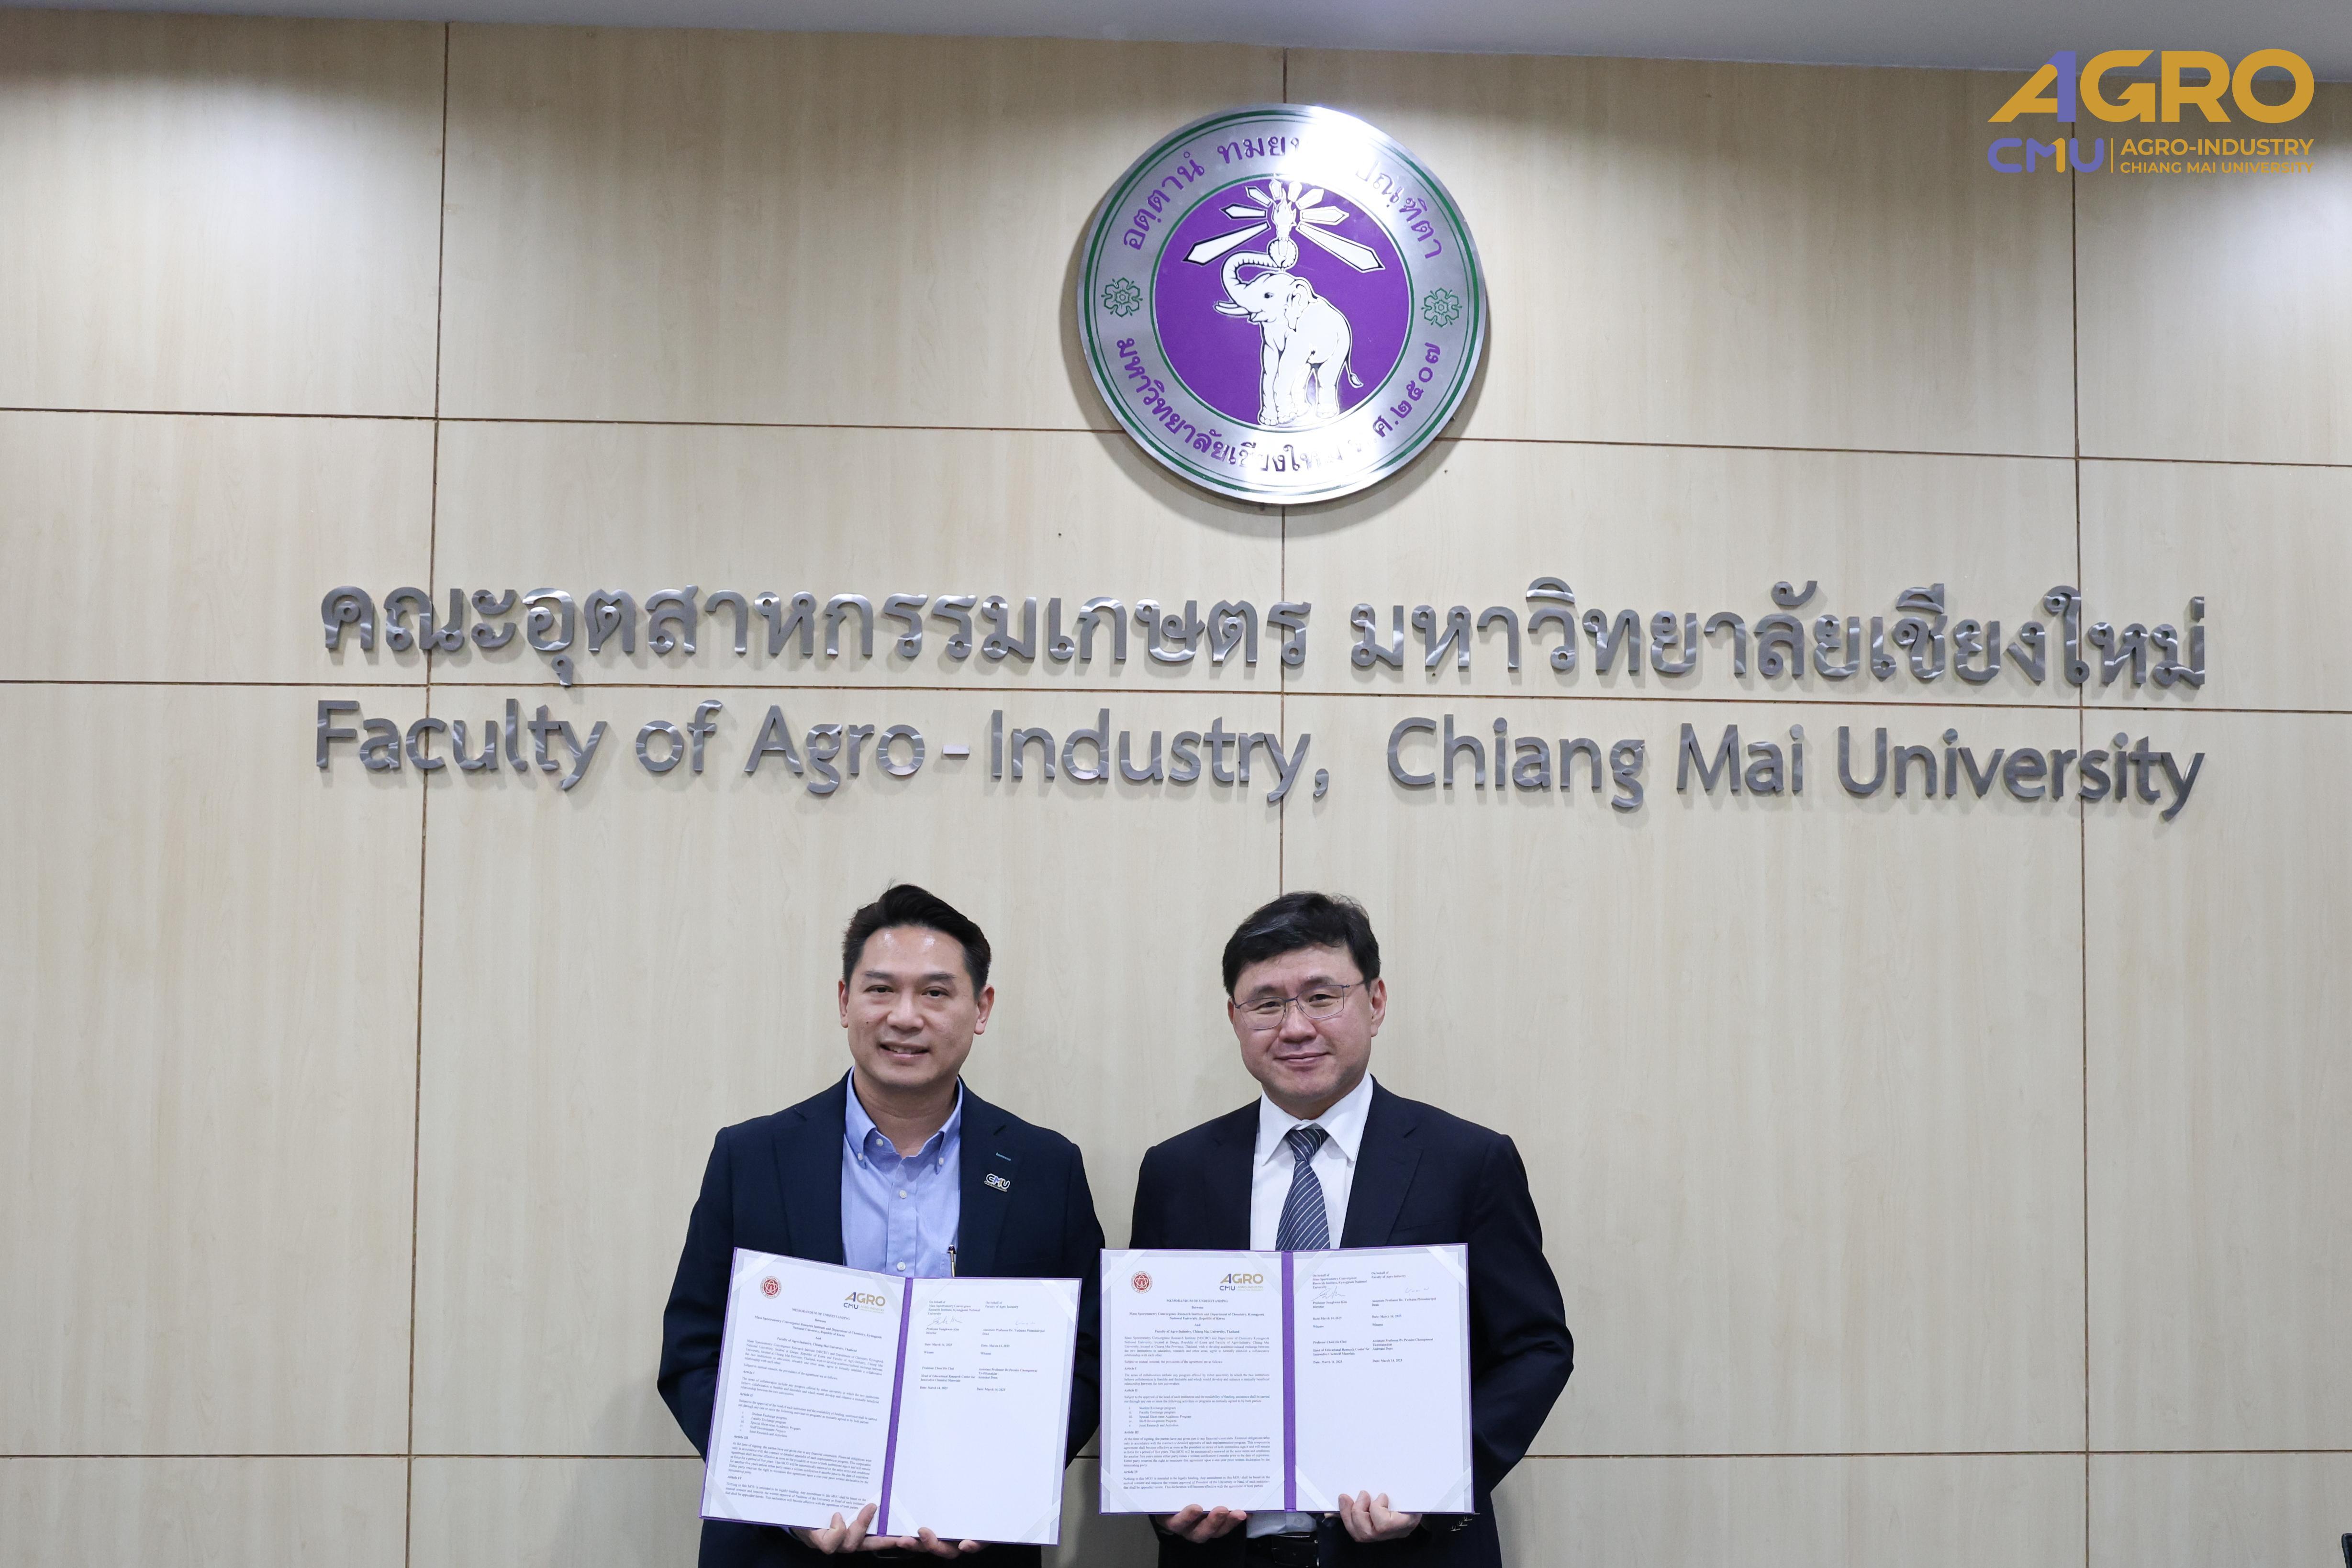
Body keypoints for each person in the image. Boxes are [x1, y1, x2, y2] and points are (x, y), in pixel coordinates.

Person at [659, 884, 1105, 1565]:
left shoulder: (1047, 1168)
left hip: (975, 1549)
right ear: (845, 1001)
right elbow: (694, 1353)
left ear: (981, 1008)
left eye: (935, 992)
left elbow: (1087, 1360)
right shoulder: (752, 1157)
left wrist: (1001, 1491)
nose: (905, 1016)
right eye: (880, 990)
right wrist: (786, 1501)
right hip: (781, 1550)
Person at [1129, 892, 1572, 1568]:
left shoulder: (1466, 1161)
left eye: (1321, 997)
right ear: (1234, 1018)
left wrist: (1438, 1483)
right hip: (1227, 1555)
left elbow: (1535, 1347)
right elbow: (1147, 1359)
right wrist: (1161, 1495)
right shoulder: (1176, 1171)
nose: (1295, 1027)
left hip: (1413, 1554)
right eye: (1266, 1004)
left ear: (1376, 1001)